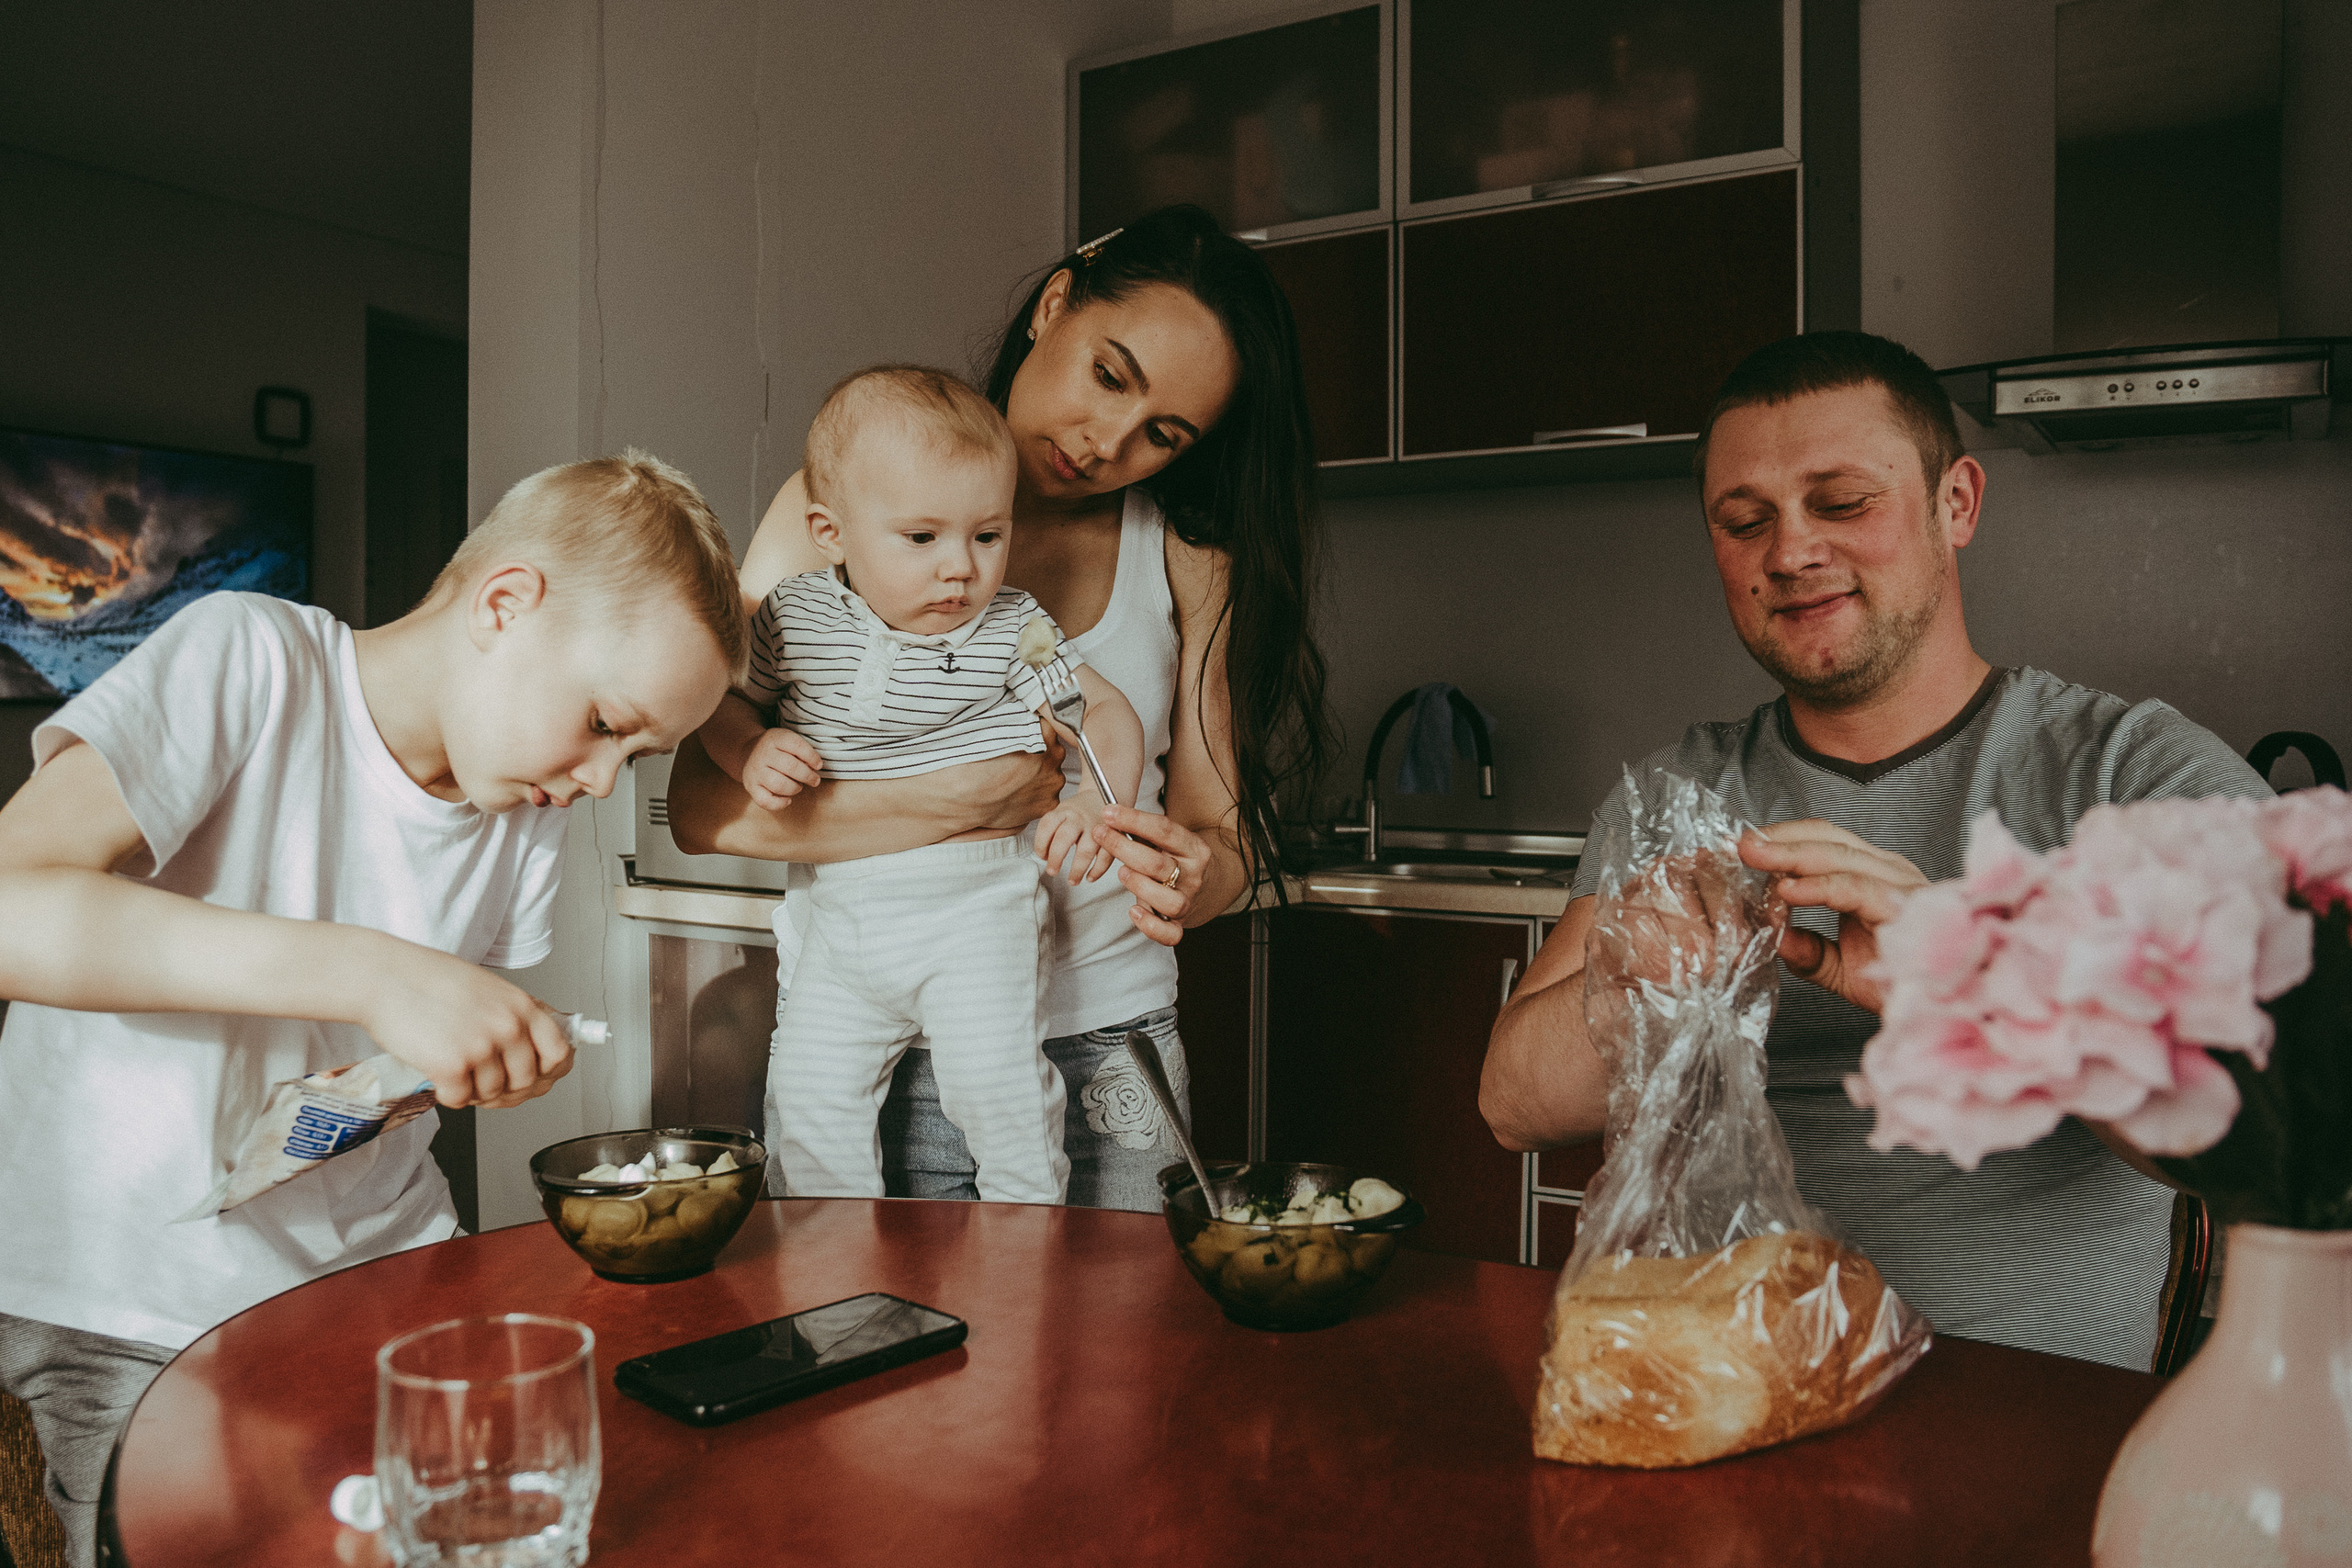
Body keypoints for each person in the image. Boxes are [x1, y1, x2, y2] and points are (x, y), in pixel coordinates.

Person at [0, 451, 742, 1566]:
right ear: (505, 604)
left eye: (637, 756)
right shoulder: (247, 657)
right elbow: (14, 903)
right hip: (137, 1301)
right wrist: (378, 974)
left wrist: (442, 1061)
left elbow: (359, 1073)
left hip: (387, 1269)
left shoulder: (520, 817)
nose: (601, 782)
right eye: (604, 721)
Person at [1477, 331, 2267, 1371]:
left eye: (1841, 502)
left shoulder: (2130, 775)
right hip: (1728, 1390)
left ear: (1957, 504)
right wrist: (1644, 976)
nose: (1790, 552)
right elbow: (1512, 1107)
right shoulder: (1682, 791)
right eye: (1742, 521)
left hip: (2022, 1418)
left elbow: (2284, 1128)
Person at [666, 205, 1332, 1212]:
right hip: (887, 1051)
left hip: (1108, 1045)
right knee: (871, 1343)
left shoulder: (1187, 554)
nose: (1106, 442)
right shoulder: (845, 502)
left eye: (1163, 433)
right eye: (1110, 374)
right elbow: (704, 811)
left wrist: (1197, 880)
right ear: (1056, 303)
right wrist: (974, 802)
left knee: (1099, 1366)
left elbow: (1222, 833)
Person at [699, 365, 1143, 1203]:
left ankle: (1025, 1255)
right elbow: (723, 706)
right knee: (809, 1104)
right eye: (922, 538)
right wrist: (748, 751)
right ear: (831, 531)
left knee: (1000, 1095)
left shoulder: (1013, 628)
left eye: (987, 535)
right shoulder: (792, 616)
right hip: (840, 921)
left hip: (972, 912)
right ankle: (834, 1288)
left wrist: (1095, 797)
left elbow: (1108, 714)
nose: (960, 570)